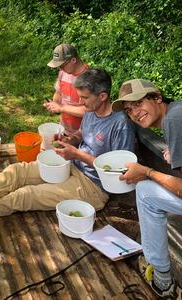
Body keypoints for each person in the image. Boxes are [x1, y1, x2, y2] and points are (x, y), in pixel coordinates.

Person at [0, 68, 135, 223]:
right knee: (16, 171)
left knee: (26, 195)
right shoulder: (92, 109)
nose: (81, 103)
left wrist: (78, 155)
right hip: (72, 166)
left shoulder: (120, 125)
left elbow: (119, 172)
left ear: (103, 96)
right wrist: (70, 140)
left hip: (93, 187)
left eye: (84, 98)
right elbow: (82, 133)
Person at [112, 79, 182, 298]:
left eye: (139, 103)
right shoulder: (176, 111)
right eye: (129, 110)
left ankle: (162, 281)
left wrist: (146, 172)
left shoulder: (173, 119)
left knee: (144, 192)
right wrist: (175, 154)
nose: (135, 112)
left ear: (157, 98)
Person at [44, 43, 89, 135]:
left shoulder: (89, 78)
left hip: (83, 134)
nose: (60, 68)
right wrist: (54, 105)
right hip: (64, 129)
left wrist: (61, 108)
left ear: (73, 60)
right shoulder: (63, 73)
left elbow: (89, 111)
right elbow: (59, 93)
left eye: (62, 65)